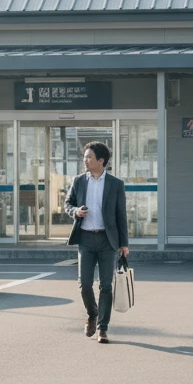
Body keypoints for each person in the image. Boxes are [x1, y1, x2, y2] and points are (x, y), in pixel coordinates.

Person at [64, 141, 129, 344]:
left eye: (89, 157)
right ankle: (92, 314)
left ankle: (102, 327)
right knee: (84, 284)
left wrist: (124, 243)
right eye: (85, 157)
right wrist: (76, 211)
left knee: (106, 286)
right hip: (85, 238)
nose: (85, 160)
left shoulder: (115, 184)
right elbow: (68, 204)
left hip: (107, 240)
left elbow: (121, 215)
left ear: (101, 160)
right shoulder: (78, 181)